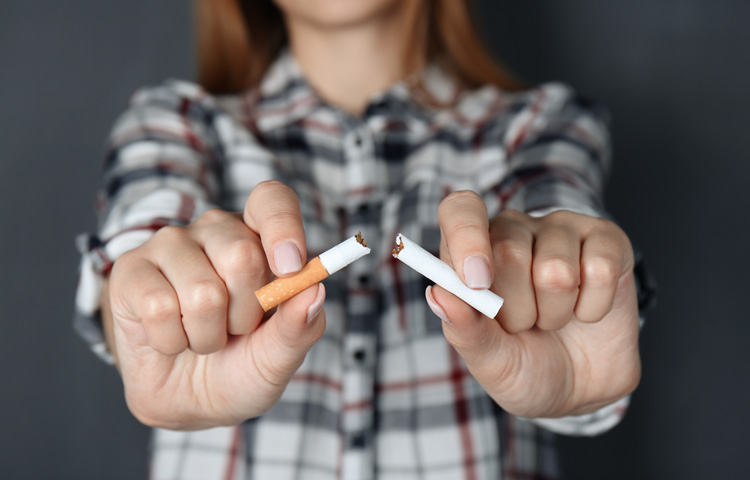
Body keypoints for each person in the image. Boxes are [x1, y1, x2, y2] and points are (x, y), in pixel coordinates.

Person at [74, 0, 650, 478]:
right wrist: (147, 306)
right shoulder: (174, 122)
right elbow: (145, 230)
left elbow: (554, 203)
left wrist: (571, 281)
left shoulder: (542, 125)